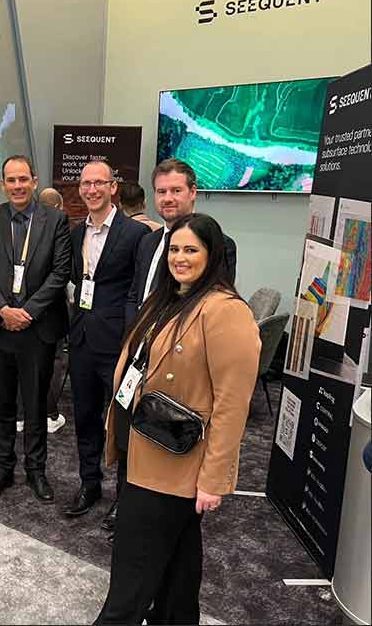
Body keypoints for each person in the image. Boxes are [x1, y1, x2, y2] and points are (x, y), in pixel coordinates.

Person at [95, 213, 260, 625]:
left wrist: (214, 479)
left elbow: (232, 404)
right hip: (140, 445)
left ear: (212, 254)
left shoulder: (224, 311)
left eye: (191, 250)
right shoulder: (167, 298)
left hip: (174, 464)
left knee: (132, 574)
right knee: (177, 572)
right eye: (174, 249)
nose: (179, 258)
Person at [103, 157, 238, 537]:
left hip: (177, 368)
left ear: (193, 193)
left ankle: (157, 516)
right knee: (128, 434)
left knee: (163, 440)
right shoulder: (148, 242)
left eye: (176, 190)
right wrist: (134, 338)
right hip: (138, 359)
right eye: (161, 191)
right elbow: (135, 294)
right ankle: (126, 504)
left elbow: (212, 306)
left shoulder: (219, 245)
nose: (168, 198)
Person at [0, 155, 71, 503]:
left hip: (37, 328)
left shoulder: (55, 220)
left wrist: (26, 312)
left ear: (34, 181)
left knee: (34, 405)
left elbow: (60, 273)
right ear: (3, 185)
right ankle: (2, 468)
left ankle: (36, 470)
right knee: (1, 404)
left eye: (23, 179)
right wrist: (3, 310)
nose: (17, 186)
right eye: (11, 180)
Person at [65, 161, 149, 519]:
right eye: (86, 184)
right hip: (81, 340)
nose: (92, 190)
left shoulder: (135, 234)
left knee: (121, 422)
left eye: (99, 183)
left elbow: (138, 291)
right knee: (84, 416)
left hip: (118, 344)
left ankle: (123, 497)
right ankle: (90, 483)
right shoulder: (74, 233)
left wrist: (131, 338)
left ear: (113, 187)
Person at [16, 185, 68, 435]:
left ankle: (21, 415)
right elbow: (61, 275)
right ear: (59, 206)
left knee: (22, 365)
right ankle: (49, 414)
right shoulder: (61, 229)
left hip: (20, 313)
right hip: (44, 316)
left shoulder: (26, 227)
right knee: (52, 364)